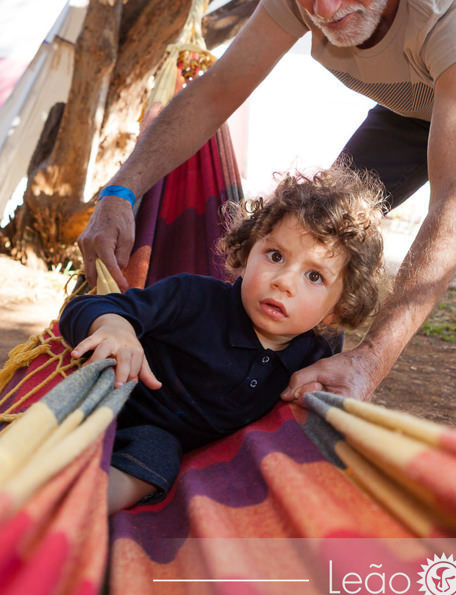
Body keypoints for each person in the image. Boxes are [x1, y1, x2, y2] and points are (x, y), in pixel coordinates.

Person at [78, 0, 456, 463]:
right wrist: (121, 191)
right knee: (315, 236)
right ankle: (277, 410)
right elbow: (216, 90)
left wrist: (371, 359)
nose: (325, 10)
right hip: (418, 101)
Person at [61, 167, 385, 511]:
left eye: (314, 276)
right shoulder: (192, 297)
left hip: (197, 459)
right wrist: (116, 328)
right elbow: (85, 307)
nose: (284, 282)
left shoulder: (315, 358)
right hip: (109, 411)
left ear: (337, 309)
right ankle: (67, 511)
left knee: (159, 454)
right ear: (247, 253)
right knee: (155, 452)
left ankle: (79, 509)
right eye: (275, 256)